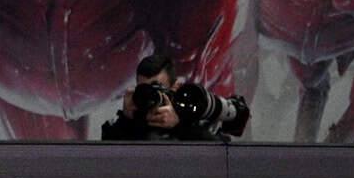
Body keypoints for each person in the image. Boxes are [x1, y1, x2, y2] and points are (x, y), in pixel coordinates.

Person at [101, 54, 247, 142]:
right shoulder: (133, 121)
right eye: (144, 89)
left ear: (175, 87)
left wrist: (178, 125)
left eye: (157, 88)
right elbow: (109, 160)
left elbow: (218, 155)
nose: (151, 95)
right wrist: (127, 119)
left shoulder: (192, 112)